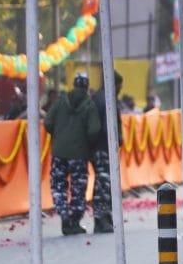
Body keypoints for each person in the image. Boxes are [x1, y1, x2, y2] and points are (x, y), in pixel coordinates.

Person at [44, 73, 100, 235]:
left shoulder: (61, 101)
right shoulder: (89, 105)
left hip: (59, 153)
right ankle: (74, 222)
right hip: (79, 154)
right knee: (78, 188)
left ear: (74, 84)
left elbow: (48, 122)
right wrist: (87, 143)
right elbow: (94, 130)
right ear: (87, 86)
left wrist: (58, 136)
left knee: (59, 185)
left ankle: (63, 214)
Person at [90, 71, 123, 234]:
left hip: (98, 147)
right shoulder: (107, 99)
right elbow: (106, 126)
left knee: (103, 182)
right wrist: (116, 140)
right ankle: (101, 218)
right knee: (103, 183)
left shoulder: (98, 97)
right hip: (103, 147)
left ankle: (104, 216)